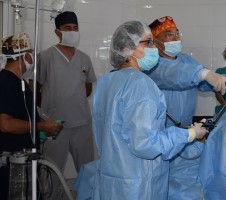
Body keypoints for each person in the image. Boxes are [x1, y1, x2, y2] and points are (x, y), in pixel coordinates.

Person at [90, 21, 208, 200]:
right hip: (138, 184)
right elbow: (146, 145)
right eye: (149, 42)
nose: (154, 48)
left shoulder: (106, 82)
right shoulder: (140, 84)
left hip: (111, 180)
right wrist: (190, 134)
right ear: (130, 48)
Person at [147, 16, 226, 200]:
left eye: (177, 33)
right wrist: (201, 74)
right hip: (161, 138)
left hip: (187, 133)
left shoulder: (187, 61)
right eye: (169, 35)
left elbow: (207, 80)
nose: (176, 38)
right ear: (156, 41)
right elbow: (174, 75)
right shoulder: (152, 65)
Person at [29, 11, 96, 199]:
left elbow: (88, 86)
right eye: (68, 28)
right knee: (51, 172)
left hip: (82, 123)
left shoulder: (84, 58)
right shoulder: (46, 57)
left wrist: (75, 100)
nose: (72, 32)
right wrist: (47, 113)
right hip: (54, 125)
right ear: (58, 31)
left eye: (75, 28)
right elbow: (35, 87)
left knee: (87, 169)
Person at [0, 32, 63, 199]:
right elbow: (5, 124)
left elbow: (25, 115)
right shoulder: (5, 83)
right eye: (31, 53)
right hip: (11, 164)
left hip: (25, 160)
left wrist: (45, 126)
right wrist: (41, 126)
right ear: (25, 55)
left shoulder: (20, 83)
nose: (33, 58)